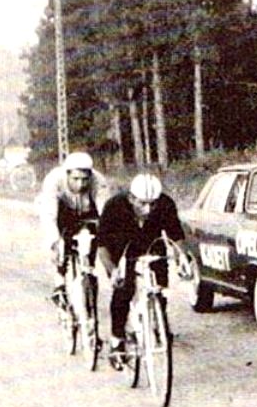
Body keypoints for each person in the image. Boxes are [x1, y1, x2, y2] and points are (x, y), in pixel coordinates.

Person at [97, 172, 185, 370]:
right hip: (122, 251)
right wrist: (112, 271)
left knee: (160, 289)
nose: (148, 209)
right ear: (130, 198)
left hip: (152, 248)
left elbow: (176, 235)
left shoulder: (165, 204)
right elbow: (101, 244)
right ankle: (117, 340)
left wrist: (182, 260)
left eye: (152, 204)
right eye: (142, 203)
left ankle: (158, 322)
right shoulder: (114, 206)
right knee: (123, 291)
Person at [38, 150, 111, 305]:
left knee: (93, 242)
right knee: (62, 248)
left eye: (85, 179)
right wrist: (54, 242)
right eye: (75, 179)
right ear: (67, 174)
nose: (80, 184)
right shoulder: (53, 180)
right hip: (63, 212)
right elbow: (49, 215)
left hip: (87, 212)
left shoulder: (98, 181)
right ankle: (60, 284)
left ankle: (89, 278)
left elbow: (105, 213)